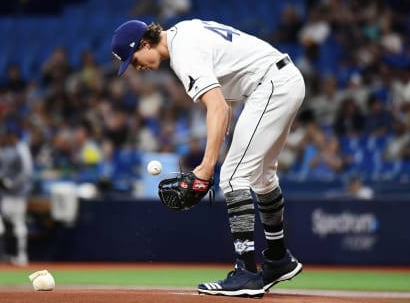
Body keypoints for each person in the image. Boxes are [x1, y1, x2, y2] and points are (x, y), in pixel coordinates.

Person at [111, 19, 304, 297]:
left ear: (144, 43)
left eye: (134, 59)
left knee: (233, 176)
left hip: (271, 86)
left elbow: (216, 107)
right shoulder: (185, 32)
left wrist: (206, 166)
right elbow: (223, 107)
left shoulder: (183, 52)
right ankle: (278, 259)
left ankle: (247, 273)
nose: (136, 67)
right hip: (282, 80)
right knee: (262, 176)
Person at [0, 119, 33, 265]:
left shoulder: (21, 148)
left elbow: (26, 173)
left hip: (17, 194)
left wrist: (12, 183)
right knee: (7, 225)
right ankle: (10, 254)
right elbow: (5, 170)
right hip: (6, 194)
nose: (7, 137)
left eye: (8, 134)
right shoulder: (9, 149)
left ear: (13, 134)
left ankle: (21, 255)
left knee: (18, 223)